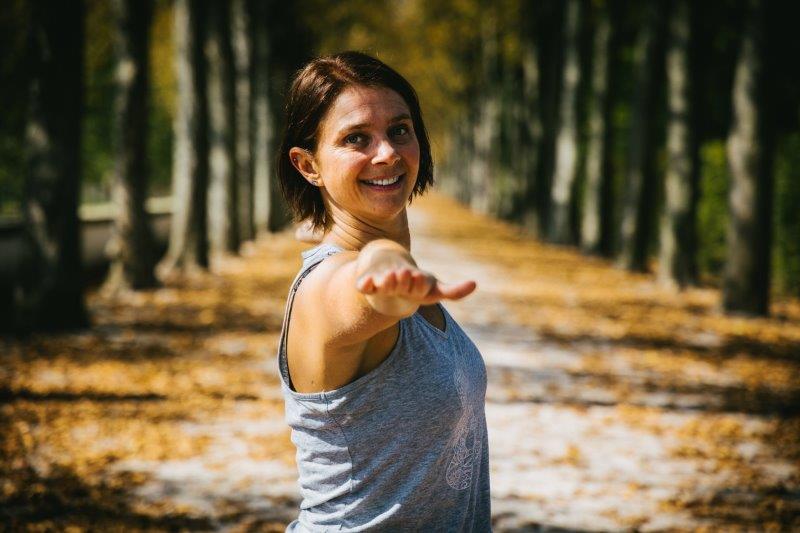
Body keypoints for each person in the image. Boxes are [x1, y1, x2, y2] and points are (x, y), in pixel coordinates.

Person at [276, 51, 491, 532]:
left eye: (399, 130)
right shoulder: (329, 289)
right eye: (356, 139)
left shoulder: (386, 273)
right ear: (308, 165)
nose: (388, 153)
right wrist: (384, 263)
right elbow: (361, 283)